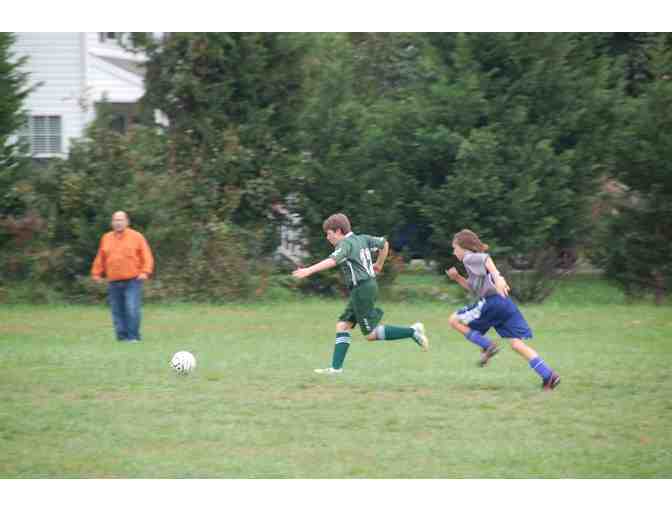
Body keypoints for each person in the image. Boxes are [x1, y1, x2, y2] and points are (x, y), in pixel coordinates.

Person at [292, 213, 429, 374]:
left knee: (370, 334)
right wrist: (379, 264)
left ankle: (413, 332)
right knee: (342, 325)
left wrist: (309, 270)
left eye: (328, 234)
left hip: (362, 289)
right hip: (365, 287)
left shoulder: (345, 244)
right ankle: (336, 369)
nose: (327, 238)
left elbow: (332, 261)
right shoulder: (362, 238)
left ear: (338, 231)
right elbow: (384, 243)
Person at [446, 229, 561, 390]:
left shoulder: (469, 258)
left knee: (453, 320)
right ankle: (549, 375)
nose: (454, 252)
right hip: (505, 304)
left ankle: (487, 346)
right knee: (517, 344)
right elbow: (474, 289)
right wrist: (457, 278)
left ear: (464, 248)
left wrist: (498, 277)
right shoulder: (472, 265)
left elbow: (486, 258)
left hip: (492, 302)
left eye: (455, 248)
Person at [91, 211, 154, 343]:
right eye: (115, 220)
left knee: (131, 308)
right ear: (112, 223)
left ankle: (133, 337)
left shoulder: (137, 237)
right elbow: (100, 257)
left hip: (133, 280)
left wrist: (145, 271)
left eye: (120, 220)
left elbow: (146, 256)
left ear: (127, 222)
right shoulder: (106, 238)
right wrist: (96, 273)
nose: (118, 223)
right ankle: (122, 338)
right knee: (117, 311)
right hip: (113, 281)